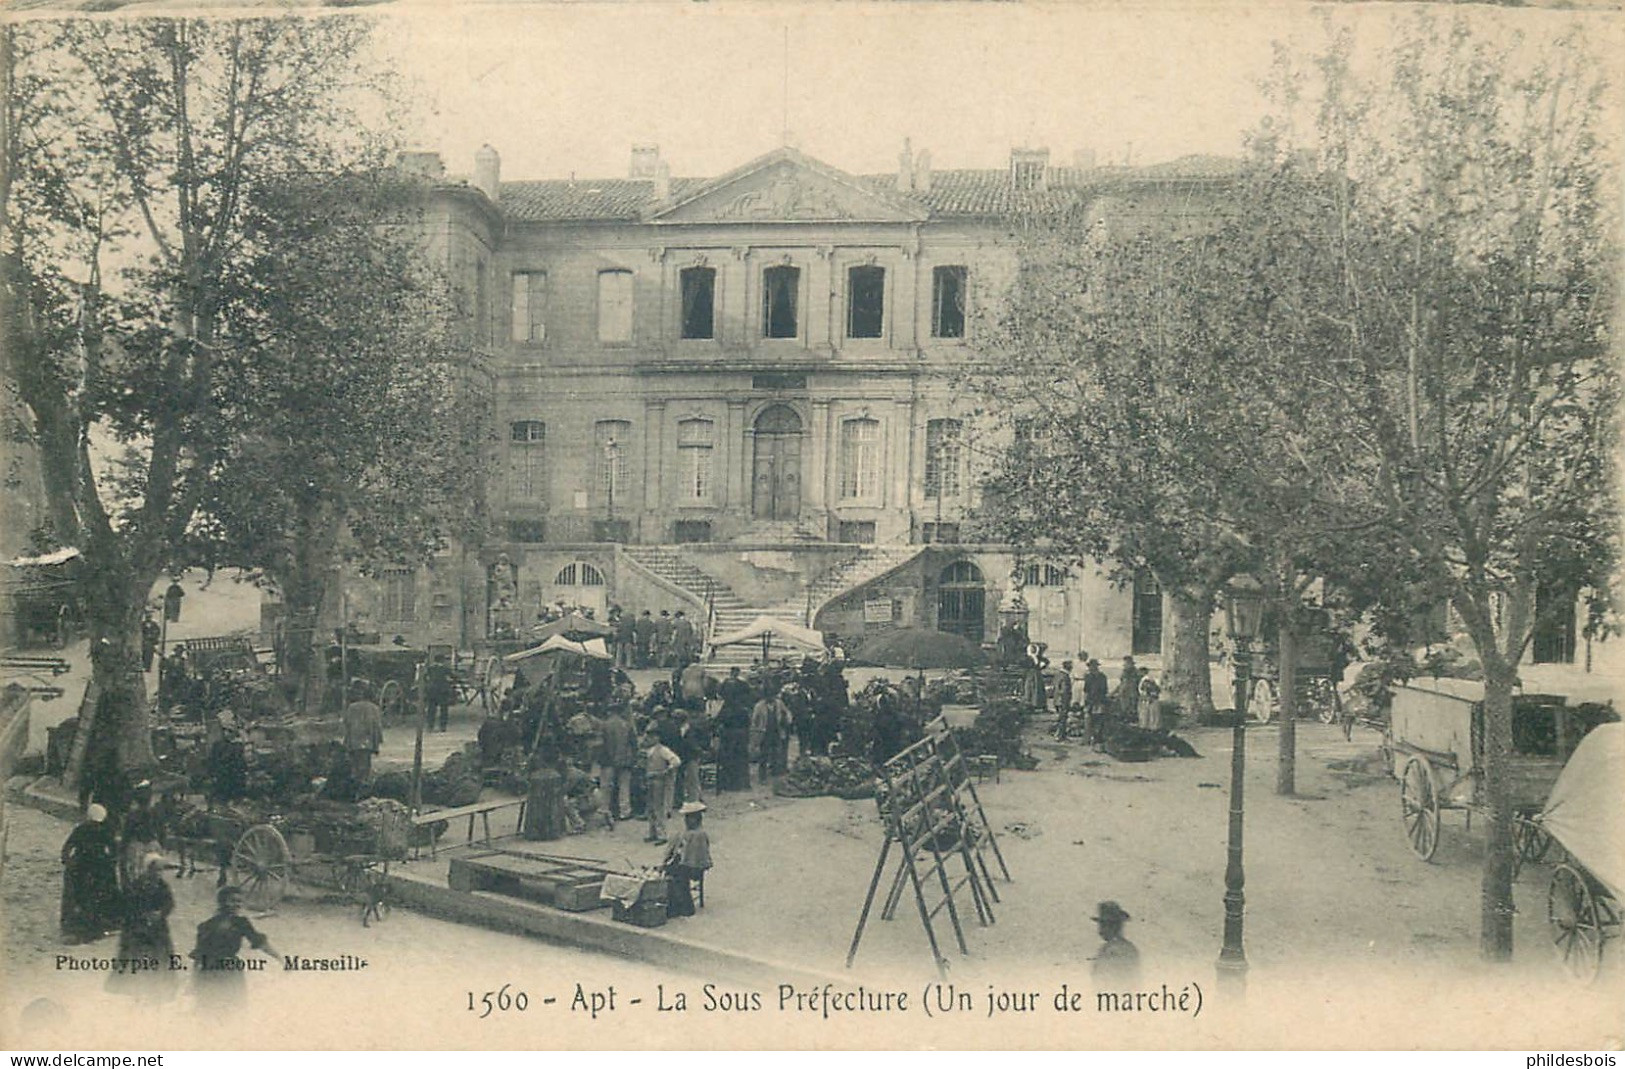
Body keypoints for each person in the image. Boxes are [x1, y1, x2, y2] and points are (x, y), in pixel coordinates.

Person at [190, 886, 279, 1011]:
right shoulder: (207, 926)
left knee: (229, 1008)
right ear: (222, 902)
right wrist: (194, 981)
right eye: (232, 901)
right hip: (213, 972)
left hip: (228, 971)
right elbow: (199, 955)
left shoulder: (241, 923)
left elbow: (259, 942)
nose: (236, 905)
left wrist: (279, 958)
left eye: (239, 901)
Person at [108, 853, 176, 1003]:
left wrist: (160, 913)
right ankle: (136, 989)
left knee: (158, 957)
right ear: (148, 870)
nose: (158, 874)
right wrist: (142, 915)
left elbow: (169, 903)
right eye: (155, 870)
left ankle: (157, 989)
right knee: (137, 957)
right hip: (138, 927)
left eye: (160, 871)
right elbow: (129, 904)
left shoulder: (162, 886)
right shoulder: (137, 885)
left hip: (157, 928)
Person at [60, 804, 121, 944]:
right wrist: (111, 862)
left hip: (81, 863)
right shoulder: (106, 830)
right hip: (99, 864)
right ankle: (100, 923)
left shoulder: (81, 829)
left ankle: (74, 925)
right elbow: (113, 849)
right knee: (99, 893)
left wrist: (67, 860)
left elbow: (68, 845)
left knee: (77, 893)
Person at [663, 802, 713, 918]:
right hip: (686, 864)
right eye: (687, 818)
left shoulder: (699, 834)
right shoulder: (686, 833)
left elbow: (695, 856)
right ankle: (674, 904)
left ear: (697, 819)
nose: (687, 821)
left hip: (696, 867)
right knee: (670, 871)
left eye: (690, 818)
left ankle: (685, 907)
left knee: (678, 875)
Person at [594, 705, 635, 821]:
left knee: (606, 787)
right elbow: (633, 743)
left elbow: (599, 744)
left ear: (609, 711)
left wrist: (599, 759)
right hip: (625, 760)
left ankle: (604, 810)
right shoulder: (627, 725)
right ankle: (625, 811)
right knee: (624, 786)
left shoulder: (604, 725)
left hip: (608, 760)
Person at [342, 683, 384, 790]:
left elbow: (346, 724)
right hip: (367, 741)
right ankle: (363, 784)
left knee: (355, 764)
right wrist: (379, 740)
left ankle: (355, 784)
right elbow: (377, 726)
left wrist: (346, 740)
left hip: (354, 740)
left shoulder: (351, 707)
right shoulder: (375, 708)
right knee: (365, 764)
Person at [1090, 900, 1141, 988]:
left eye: (1104, 925)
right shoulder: (1110, 948)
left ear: (1114, 926)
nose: (1100, 930)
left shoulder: (1117, 949)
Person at [642, 728, 681, 845]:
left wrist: (666, 771)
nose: (648, 738)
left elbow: (676, 761)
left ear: (657, 738)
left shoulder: (663, 750)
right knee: (650, 808)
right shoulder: (647, 751)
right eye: (648, 736)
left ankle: (662, 834)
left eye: (652, 736)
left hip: (659, 781)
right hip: (649, 781)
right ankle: (652, 833)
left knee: (659, 808)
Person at [1081, 659, 1110, 744]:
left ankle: (1089, 739)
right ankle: (1095, 739)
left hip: (1093, 701)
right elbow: (1105, 690)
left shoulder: (1089, 677)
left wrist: (1085, 702)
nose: (1089, 668)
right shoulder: (1102, 676)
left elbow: (1086, 690)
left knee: (1091, 721)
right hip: (1098, 701)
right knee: (1097, 721)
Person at [425, 654, 455, 733]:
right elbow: (453, 676)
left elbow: (425, 677)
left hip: (432, 691)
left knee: (431, 709)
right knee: (444, 709)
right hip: (442, 691)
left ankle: (430, 726)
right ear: (442, 660)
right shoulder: (445, 668)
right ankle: (442, 727)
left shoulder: (430, 668)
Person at [1053, 659, 1076, 739]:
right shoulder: (1065, 677)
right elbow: (1064, 690)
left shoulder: (1058, 674)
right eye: (1071, 666)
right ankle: (1060, 735)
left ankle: (1060, 734)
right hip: (1063, 700)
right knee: (1063, 718)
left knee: (1061, 718)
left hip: (1057, 699)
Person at [1116, 656, 1142, 725]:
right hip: (1123, 694)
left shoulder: (1136, 673)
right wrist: (1115, 692)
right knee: (1123, 710)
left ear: (1131, 664)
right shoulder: (1124, 673)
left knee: (1131, 711)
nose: (1125, 666)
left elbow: (1138, 685)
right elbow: (1121, 684)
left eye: (1127, 664)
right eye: (1124, 664)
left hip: (1132, 695)